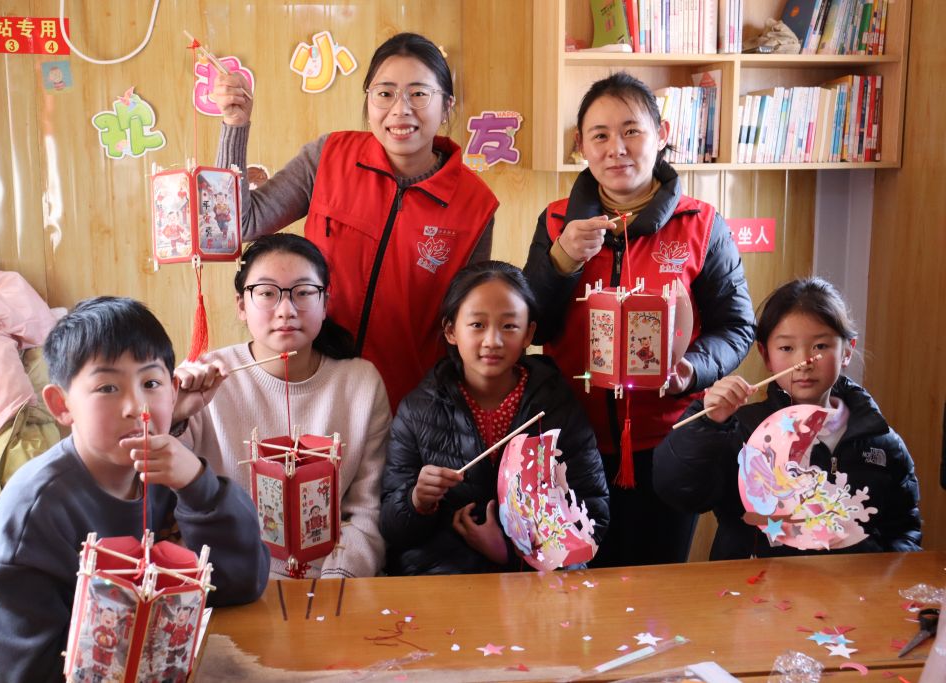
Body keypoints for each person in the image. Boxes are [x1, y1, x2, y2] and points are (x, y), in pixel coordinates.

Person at [0, 297, 269, 682]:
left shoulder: (166, 471)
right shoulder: (30, 520)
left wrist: (198, 484)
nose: (136, 407)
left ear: (173, 391)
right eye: (108, 387)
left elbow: (237, 585)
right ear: (62, 405)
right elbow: (31, 673)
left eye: (151, 383)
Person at [523, 72, 754, 567]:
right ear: (581, 145)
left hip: (672, 440)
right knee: (576, 582)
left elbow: (736, 327)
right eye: (600, 135)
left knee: (659, 584)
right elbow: (531, 324)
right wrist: (561, 260)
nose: (617, 148)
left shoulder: (701, 224)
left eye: (632, 130)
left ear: (662, 133)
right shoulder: (557, 222)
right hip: (572, 439)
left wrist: (692, 368)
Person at [213, 32, 499, 411]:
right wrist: (235, 124)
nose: (400, 110)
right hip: (311, 393)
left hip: (409, 407)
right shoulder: (328, 157)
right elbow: (238, 224)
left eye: (418, 93)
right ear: (368, 100)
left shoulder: (475, 203)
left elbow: (467, 321)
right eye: (385, 93)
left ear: (447, 105)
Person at [654, 277, 921, 559]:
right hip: (753, 582)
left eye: (820, 346)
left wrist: (883, 575)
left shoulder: (879, 439)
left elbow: (904, 530)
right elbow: (680, 491)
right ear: (766, 355)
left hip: (852, 585)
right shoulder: (742, 430)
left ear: (847, 351)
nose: (803, 362)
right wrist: (707, 422)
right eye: (786, 348)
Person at [173, 234, 391, 579]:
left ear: (325, 302)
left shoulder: (360, 382)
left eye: (303, 293)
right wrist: (174, 415)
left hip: (331, 583)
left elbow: (366, 512)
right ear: (241, 306)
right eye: (266, 293)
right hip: (225, 579)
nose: (286, 310)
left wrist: (335, 584)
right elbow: (158, 486)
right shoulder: (208, 378)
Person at [380, 261, 609, 575]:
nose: (492, 341)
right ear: (451, 331)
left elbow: (592, 515)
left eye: (509, 326)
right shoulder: (417, 410)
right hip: (442, 580)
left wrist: (511, 554)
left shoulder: (557, 405)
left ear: (528, 333)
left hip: (537, 581)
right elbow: (393, 530)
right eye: (477, 325)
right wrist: (417, 501)